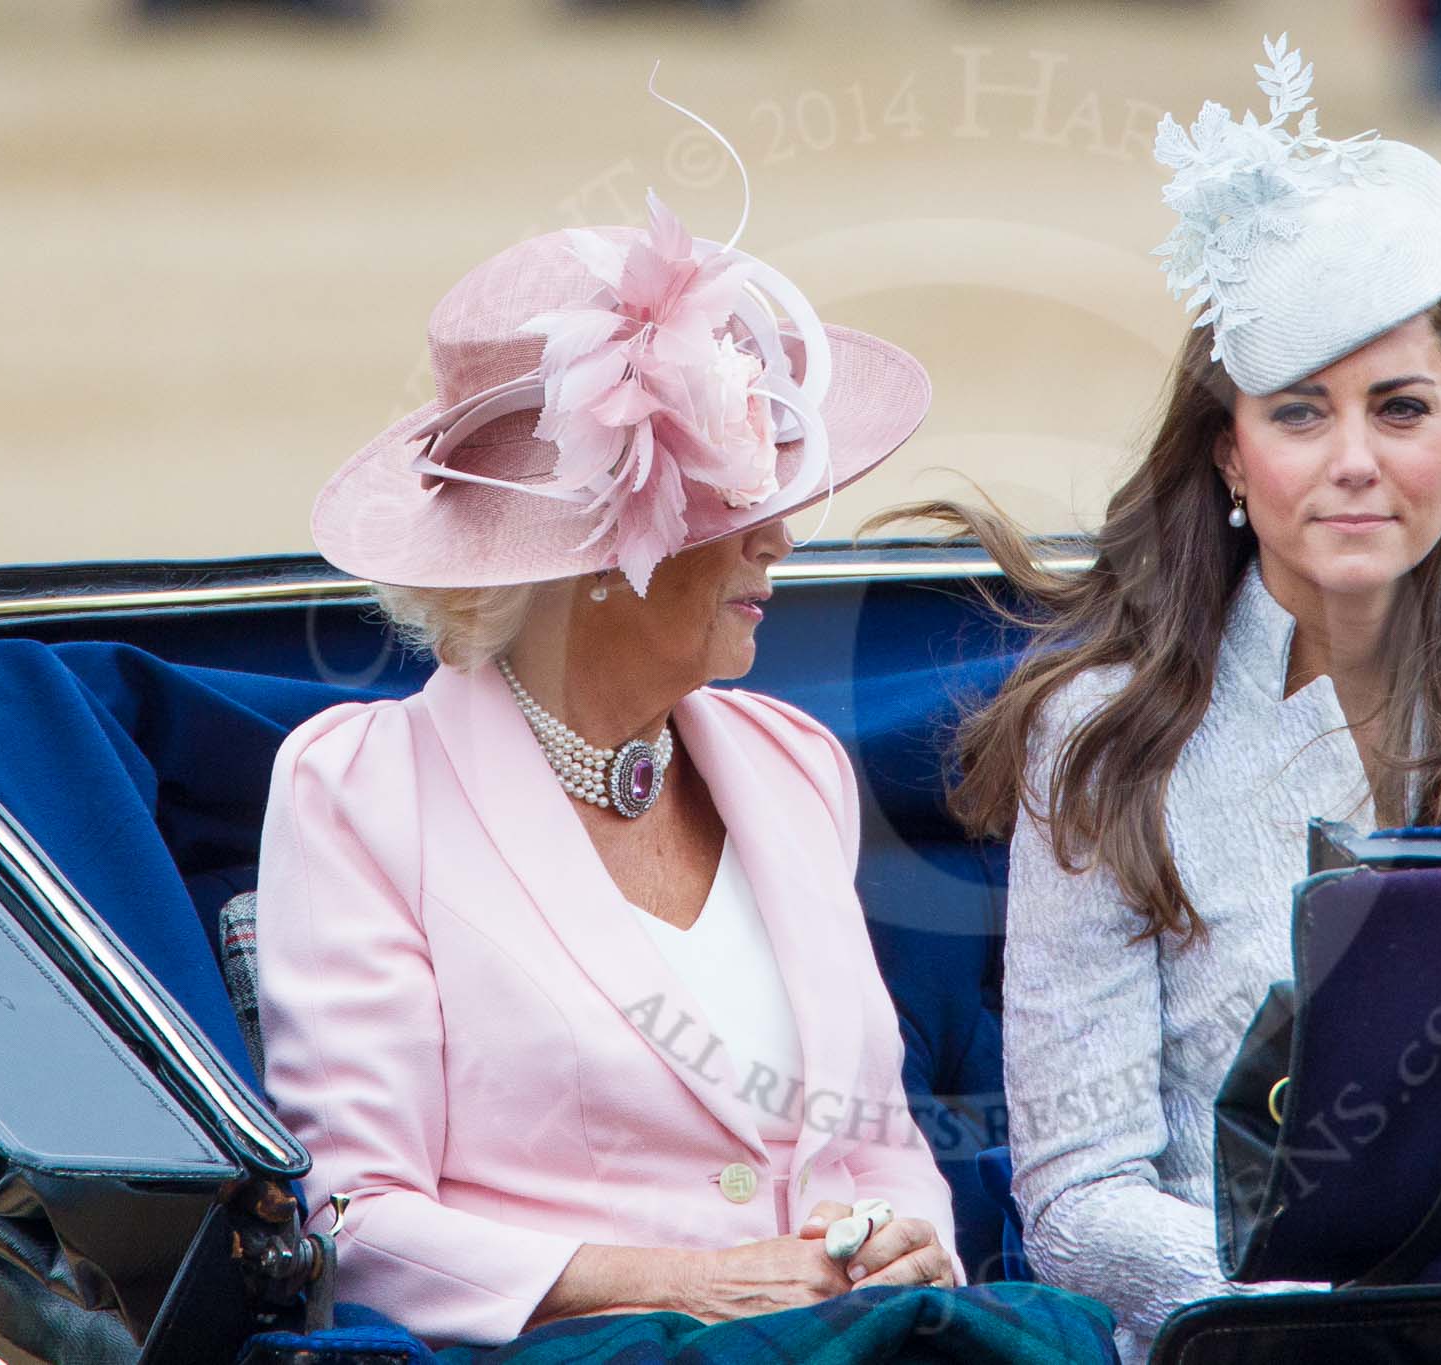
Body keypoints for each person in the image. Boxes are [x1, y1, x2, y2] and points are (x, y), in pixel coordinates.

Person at [880, 37, 1441, 1361]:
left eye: (1400, 410)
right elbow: (1080, 1199)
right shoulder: (1107, 740)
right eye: (1300, 414)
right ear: (1229, 451)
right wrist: (1317, 1304)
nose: (1355, 462)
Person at [254, 163, 979, 1346]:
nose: (781, 537)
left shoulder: (795, 765)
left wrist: (901, 1233)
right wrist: (681, 1281)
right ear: (597, 553)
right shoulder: (359, 789)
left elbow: (878, 1148)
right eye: (730, 501)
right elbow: (352, 1221)